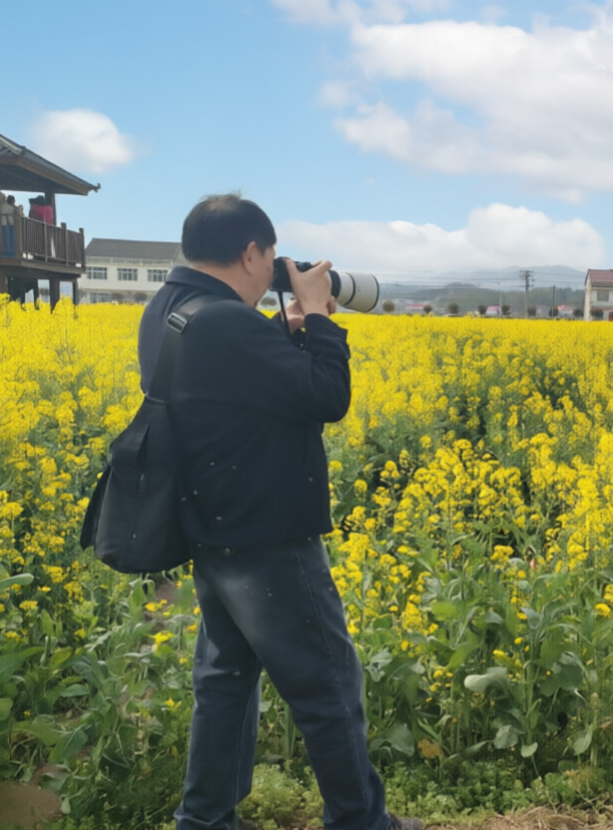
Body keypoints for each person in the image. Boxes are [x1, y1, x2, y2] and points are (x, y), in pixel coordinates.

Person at [139, 194, 421, 830]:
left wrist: (278, 330)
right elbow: (328, 395)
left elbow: (227, 379)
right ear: (250, 253)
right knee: (327, 686)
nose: (273, 270)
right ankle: (360, 822)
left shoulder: (170, 309)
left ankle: (205, 820)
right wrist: (318, 317)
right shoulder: (225, 322)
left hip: (212, 529)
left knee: (225, 682)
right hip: (267, 536)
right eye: (270, 258)